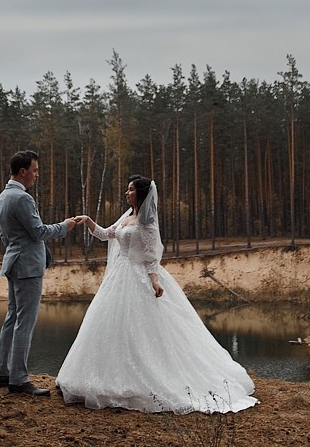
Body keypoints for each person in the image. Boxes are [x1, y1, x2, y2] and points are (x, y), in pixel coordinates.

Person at [55, 174, 257, 414]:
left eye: (130, 189)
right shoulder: (126, 217)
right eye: (127, 189)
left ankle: (139, 381)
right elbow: (106, 234)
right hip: (118, 278)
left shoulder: (147, 222)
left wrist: (154, 280)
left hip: (137, 276)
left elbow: (152, 255)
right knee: (109, 326)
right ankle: (102, 378)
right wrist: (88, 220)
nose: (127, 193)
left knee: (142, 330)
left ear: (140, 193)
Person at [0, 148, 81, 396]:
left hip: (13, 262)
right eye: (35, 170)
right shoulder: (23, 198)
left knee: (12, 318)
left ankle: (2, 373)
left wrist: (15, 250)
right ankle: (19, 379)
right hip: (28, 267)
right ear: (23, 172)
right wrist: (65, 226)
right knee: (25, 322)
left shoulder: (3, 196)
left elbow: (5, 235)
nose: (37, 175)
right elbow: (39, 232)